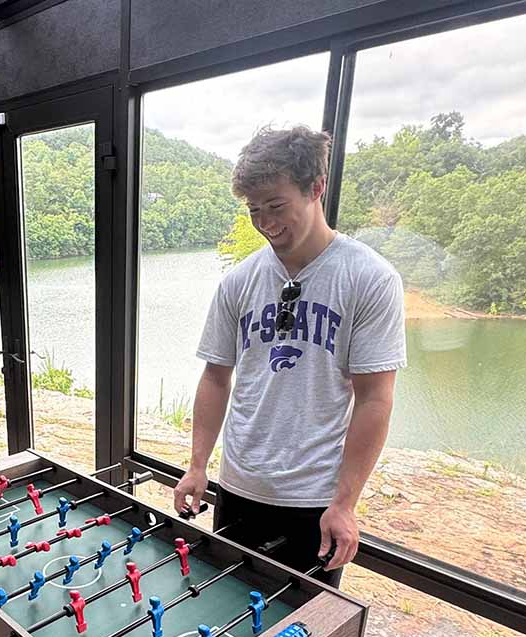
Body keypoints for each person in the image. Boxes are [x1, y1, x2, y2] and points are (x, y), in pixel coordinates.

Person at [173, 126, 406, 587]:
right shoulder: (239, 282)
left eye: (276, 206)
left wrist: (345, 502)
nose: (265, 222)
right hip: (238, 488)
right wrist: (198, 466)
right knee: (228, 618)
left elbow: (375, 398)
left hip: (314, 502)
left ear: (315, 188)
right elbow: (215, 376)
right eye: (254, 209)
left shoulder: (369, 278)